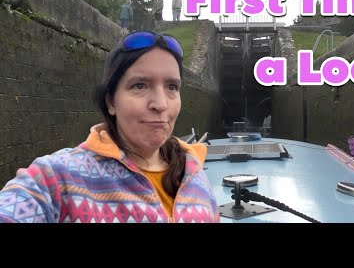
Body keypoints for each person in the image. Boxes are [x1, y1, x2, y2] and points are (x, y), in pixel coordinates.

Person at [0, 31, 220, 223]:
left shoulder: (195, 174)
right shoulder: (58, 178)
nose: (161, 104)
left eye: (172, 86)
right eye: (140, 85)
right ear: (111, 102)